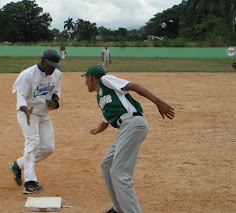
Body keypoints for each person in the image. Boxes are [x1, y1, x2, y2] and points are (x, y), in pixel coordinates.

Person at [81, 64, 174, 213]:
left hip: (133, 123)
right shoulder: (101, 97)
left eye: (86, 78)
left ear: (90, 78)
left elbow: (134, 86)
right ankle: (120, 209)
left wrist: (157, 102)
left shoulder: (106, 80)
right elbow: (106, 121)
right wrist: (98, 129)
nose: (85, 82)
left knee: (119, 173)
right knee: (107, 165)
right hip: (124, 128)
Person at [9, 49, 63, 194]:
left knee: (48, 147)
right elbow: (20, 96)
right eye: (51, 65)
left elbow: (56, 93)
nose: (53, 69)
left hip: (43, 115)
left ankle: (18, 164)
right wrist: (26, 112)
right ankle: (30, 182)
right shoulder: (27, 75)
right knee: (33, 142)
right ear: (43, 61)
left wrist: (55, 103)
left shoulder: (57, 75)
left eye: (55, 66)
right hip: (27, 113)